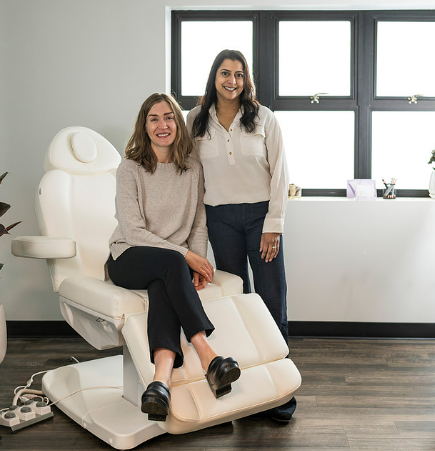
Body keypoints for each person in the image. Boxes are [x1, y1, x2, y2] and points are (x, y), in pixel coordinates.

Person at [107, 93, 241, 422]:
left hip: (167, 267)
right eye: (154, 118)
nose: (162, 124)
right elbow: (134, 232)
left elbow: (197, 224)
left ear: (177, 125)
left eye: (168, 117)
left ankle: (160, 382)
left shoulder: (191, 169)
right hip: (128, 257)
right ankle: (207, 353)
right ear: (145, 126)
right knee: (169, 264)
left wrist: (196, 261)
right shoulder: (130, 169)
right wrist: (187, 258)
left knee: (162, 287)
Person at [186, 49, 296, 423]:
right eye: (225, 73)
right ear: (214, 77)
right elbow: (191, 177)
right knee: (235, 301)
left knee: (270, 300)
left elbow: (280, 173)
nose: (232, 81)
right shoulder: (195, 120)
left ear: (246, 79)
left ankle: (280, 391)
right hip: (220, 219)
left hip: (261, 218)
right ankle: (246, 389)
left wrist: (274, 224)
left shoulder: (264, 118)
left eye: (239, 74)